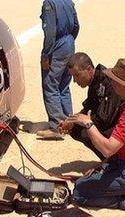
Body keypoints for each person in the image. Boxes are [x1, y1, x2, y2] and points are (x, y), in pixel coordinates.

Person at [65, 59, 125, 211]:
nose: (110, 81)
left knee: (80, 193)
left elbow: (108, 149)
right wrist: (103, 165)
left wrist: (88, 123)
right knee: (82, 182)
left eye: (112, 79)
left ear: (118, 84)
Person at [59, 52, 122, 160]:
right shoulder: (95, 81)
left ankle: (113, 162)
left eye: (77, 75)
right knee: (75, 129)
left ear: (89, 69)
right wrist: (70, 121)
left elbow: (104, 120)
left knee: (86, 133)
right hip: (109, 122)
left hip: (122, 128)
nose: (74, 81)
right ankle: (108, 160)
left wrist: (78, 122)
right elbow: (89, 107)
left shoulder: (108, 83)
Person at [37, 0, 80, 139]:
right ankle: (69, 121)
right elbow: (76, 26)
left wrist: (46, 54)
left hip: (58, 45)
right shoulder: (68, 1)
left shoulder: (49, 3)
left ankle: (56, 126)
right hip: (69, 43)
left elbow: (50, 32)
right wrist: (69, 41)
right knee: (63, 84)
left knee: (50, 84)